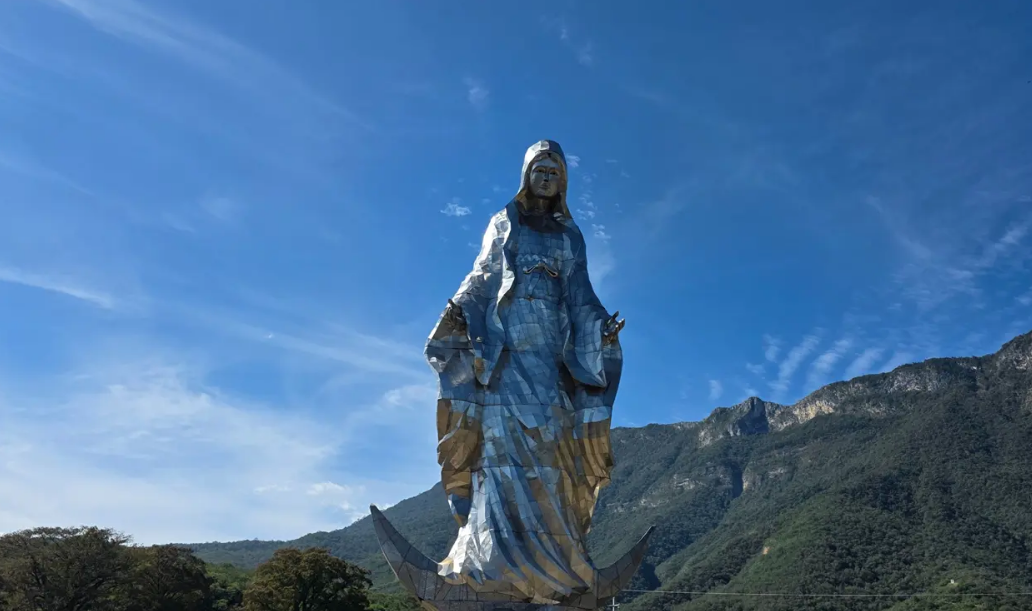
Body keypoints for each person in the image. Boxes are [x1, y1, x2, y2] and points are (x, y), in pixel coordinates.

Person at [425, 140, 625, 604]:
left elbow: (581, 296)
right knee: (496, 462)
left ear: (564, 181)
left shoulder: (569, 237)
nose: (548, 175)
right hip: (505, 363)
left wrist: (601, 329)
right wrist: (457, 311)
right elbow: (481, 278)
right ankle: (486, 566)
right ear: (526, 174)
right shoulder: (504, 223)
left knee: (553, 462)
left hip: (551, 368)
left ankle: (555, 575)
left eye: (556, 169)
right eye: (540, 167)